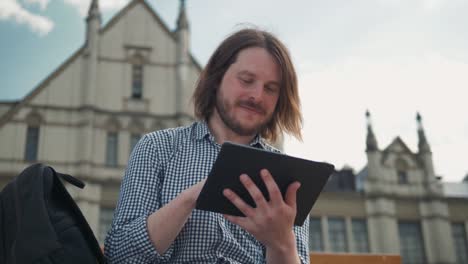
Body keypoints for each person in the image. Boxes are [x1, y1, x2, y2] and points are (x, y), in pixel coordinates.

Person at [104, 28, 309, 264]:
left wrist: (281, 243)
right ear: (216, 79)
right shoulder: (156, 148)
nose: (257, 95)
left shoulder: (287, 176)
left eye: (270, 88)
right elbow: (119, 256)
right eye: (246, 80)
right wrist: (192, 198)